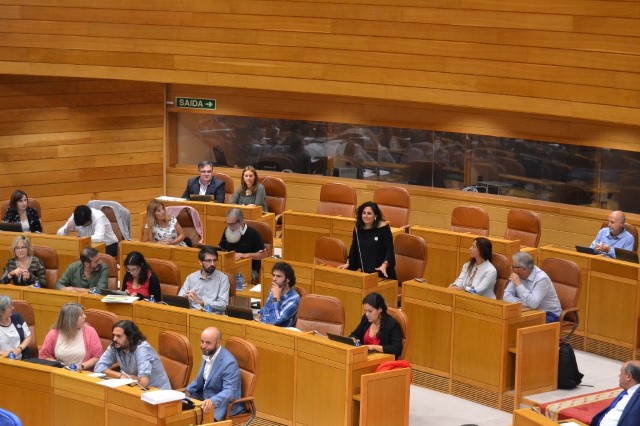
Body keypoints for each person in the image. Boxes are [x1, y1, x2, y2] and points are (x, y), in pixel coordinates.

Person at [185, 327, 245, 421]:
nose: (203, 346)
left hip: (222, 404)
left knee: (193, 419)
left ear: (218, 343)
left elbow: (230, 391)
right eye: (202, 341)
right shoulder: (208, 353)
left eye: (208, 343)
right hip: (204, 399)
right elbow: (201, 379)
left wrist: (212, 401)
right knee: (180, 413)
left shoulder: (229, 363)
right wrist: (187, 391)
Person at [94, 320, 171, 390]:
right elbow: (98, 367)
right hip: (135, 388)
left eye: (119, 336)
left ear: (130, 337)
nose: (114, 339)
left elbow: (144, 382)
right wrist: (120, 376)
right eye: (114, 335)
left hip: (157, 392)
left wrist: (131, 378)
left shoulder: (142, 349)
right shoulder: (116, 344)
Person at [338, 201, 396, 279]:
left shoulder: (383, 228)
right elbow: (354, 247)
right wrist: (349, 262)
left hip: (383, 274)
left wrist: (385, 264)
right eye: (364, 213)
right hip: (366, 274)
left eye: (369, 213)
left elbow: (389, 249)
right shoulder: (358, 228)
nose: (365, 216)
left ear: (375, 215)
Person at [38, 302, 103, 371]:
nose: (85, 316)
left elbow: (97, 356)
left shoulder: (90, 331)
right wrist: (59, 364)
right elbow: (44, 356)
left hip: (83, 373)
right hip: (60, 372)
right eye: (81, 315)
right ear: (71, 319)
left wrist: (81, 366)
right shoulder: (53, 334)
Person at [502, 252, 562, 323]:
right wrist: (524, 304)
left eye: (513, 267)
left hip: (548, 314)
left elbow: (533, 304)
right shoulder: (517, 275)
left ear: (523, 269)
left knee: (520, 324)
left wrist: (519, 285)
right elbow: (506, 296)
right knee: (505, 320)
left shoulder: (542, 279)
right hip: (526, 310)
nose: (511, 269)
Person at [218, 208, 267, 282]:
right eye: (228, 223)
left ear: (240, 221)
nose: (230, 227)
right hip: (230, 266)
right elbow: (221, 248)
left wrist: (245, 255)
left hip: (249, 269)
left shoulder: (253, 233)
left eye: (232, 224)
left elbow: (264, 254)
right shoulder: (226, 230)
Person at [349, 292, 403, 359]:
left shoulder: (392, 325)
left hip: (383, 360)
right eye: (365, 311)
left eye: (370, 311)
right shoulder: (366, 319)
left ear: (380, 309)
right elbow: (355, 334)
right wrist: (352, 339)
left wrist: (373, 347)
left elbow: (396, 349)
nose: (367, 314)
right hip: (365, 358)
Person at [179, 246, 230, 312]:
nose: (212, 264)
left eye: (214, 260)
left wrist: (201, 302)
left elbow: (224, 305)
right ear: (200, 262)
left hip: (212, 316)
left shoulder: (223, 278)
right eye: (209, 261)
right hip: (192, 313)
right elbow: (180, 298)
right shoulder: (191, 278)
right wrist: (185, 298)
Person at [590, 360, 640, 426]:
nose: (619, 375)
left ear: (628, 376)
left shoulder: (637, 399)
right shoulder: (628, 390)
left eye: (621, 372)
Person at [257, 261, 300, 327]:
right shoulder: (274, 290)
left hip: (279, 333)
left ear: (288, 279)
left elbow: (275, 321)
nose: (274, 279)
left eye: (278, 276)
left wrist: (276, 298)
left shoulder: (294, 299)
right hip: (264, 327)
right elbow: (266, 309)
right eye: (273, 275)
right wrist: (256, 320)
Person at [0, 295, 33, 360]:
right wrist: (7, 354)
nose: (13, 308)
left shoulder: (16, 317)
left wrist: (19, 349)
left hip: (23, 358)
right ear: (1, 311)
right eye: (10, 307)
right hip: (3, 361)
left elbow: (28, 336)